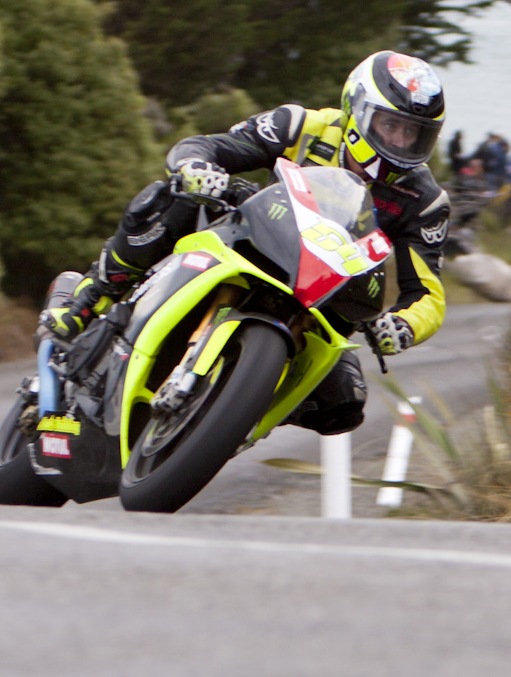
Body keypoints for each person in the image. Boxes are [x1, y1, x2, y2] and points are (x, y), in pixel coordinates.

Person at [39, 51, 451, 436]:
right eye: (390, 126)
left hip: (325, 300)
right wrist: (196, 167)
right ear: (357, 111)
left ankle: (234, 410)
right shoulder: (301, 126)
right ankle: (91, 296)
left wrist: (403, 326)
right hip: (257, 241)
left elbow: (428, 294)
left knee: (344, 404)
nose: (399, 143)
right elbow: (210, 146)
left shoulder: (425, 200)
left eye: (414, 134)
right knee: (172, 197)